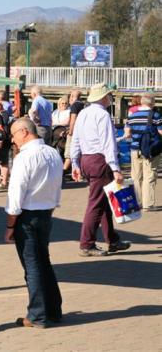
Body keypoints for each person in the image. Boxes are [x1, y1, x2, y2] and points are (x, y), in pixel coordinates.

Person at [5, 118, 63, 328]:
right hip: (46, 211)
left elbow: (16, 194)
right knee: (43, 261)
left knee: (32, 265)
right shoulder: (52, 152)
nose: (12, 140)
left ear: (24, 132)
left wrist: (10, 225)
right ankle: (53, 309)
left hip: (28, 215)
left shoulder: (24, 157)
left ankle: (38, 314)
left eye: (13, 135)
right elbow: (58, 183)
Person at [71, 83, 131, 257]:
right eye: (109, 95)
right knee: (96, 203)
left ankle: (112, 240)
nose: (110, 98)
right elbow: (108, 143)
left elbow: (76, 138)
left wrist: (75, 162)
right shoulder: (103, 115)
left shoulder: (83, 113)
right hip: (99, 160)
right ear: (104, 97)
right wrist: (116, 168)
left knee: (104, 201)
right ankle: (86, 243)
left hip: (86, 159)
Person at [124, 93, 162, 211]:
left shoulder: (132, 116)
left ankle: (137, 202)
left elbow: (127, 134)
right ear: (153, 102)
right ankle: (148, 204)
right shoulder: (156, 115)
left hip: (135, 149)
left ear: (142, 102)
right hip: (150, 150)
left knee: (136, 177)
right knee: (149, 176)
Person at [63, 89, 84, 172]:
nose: (70, 98)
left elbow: (73, 119)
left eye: (71, 96)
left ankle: (63, 171)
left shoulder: (75, 105)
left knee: (69, 152)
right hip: (82, 132)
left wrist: (70, 131)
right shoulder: (83, 104)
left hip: (75, 132)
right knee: (79, 152)